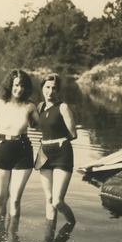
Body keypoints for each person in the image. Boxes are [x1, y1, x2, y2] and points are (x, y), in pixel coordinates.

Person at [0, 69, 39, 218]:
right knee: (0, 199)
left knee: (15, 200)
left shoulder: (29, 106)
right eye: (16, 85)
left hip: (23, 153)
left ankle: (12, 238)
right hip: (1, 151)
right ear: (9, 85)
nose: (19, 89)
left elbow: (41, 125)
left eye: (23, 86)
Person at [37, 73, 77, 229]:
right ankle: (49, 235)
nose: (50, 91)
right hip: (44, 154)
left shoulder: (63, 107)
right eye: (47, 87)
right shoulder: (39, 107)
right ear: (42, 88)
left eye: (54, 88)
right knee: (49, 198)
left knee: (58, 201)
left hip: (62, 154)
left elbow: (73, 134)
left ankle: (71, 224)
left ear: (58, 90)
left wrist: (57, 141)